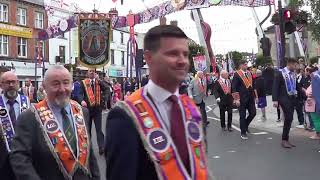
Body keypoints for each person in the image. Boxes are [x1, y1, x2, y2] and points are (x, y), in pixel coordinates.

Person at [105, 25, 210, 180]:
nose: (182, 61)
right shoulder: (124, 115)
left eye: (185, 54)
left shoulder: (191, 107)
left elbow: (200, 164)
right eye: (173, 54)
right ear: (148, 58)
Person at [9, 65, 100, 180]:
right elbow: (20, 158)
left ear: (72, 85)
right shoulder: (29, 117)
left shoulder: (82, 112)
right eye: (56, 84)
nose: (62, 89)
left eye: (66, 83)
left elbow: (89, 152)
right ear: (44, 87)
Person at [0, 71, 30, 180]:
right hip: (3, 156)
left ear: (18, 83)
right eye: (7, 82)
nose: (11, 85)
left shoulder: (27, 101)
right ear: (1, 85)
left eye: (13, 82)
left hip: (25, 154)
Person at [272, 58, 300, 148]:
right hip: (283, 98)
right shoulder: (280, 73)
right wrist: (275, 100)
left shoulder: (293, 74)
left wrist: (305, 93)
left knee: (289, 119)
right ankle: (284, 140)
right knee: (288, 117)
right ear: (290, 64)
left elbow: (297, 86)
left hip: (292, 98)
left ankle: (286, 139)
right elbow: (275, 86)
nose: (296, 67)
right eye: (295, 65)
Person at [79, 69, 105, 155]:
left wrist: (104, 99)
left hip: (97, 109)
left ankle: (101, 147)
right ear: (87, 73)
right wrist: (81, 100)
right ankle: (88, 148)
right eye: (90, 71)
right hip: (88, 110)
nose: (92, 72)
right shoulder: (83, 83)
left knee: (99, 129)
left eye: (93, 71)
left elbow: (107, 89)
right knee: (88, 130)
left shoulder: (99, 82)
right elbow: (79, 93)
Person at [232, 60, 256, 140]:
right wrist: (236, 99)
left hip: (250, 98)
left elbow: (252, 85)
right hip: (241, 99)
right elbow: (234, 88)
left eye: (246, 64)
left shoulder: (249, 73)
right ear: (241, 65)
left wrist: (256, 97)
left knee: (253, 113)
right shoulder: (237, 74)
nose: (246, 66)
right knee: (242, 116)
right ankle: (243, 132)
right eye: (245, 65)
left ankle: (245, 125)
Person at [311, 65, 320, 140]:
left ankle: (318, 134)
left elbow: (316, 94)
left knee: (316, 118)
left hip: (317, 102)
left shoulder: (316, 76)